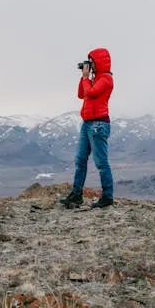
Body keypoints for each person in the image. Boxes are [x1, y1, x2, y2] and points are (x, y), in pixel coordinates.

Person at [60, 48, 115, 209]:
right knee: (80, 159)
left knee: (101, 162)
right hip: (87, 124)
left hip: (99, 124)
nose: (90, 65)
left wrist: (86, 77)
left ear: (99, 62)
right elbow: (81, 94)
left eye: (92, 62)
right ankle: (76, 195)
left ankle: (107, 197)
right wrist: (84, 77)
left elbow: (90, 93)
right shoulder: (94, 78)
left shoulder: (106, 79)